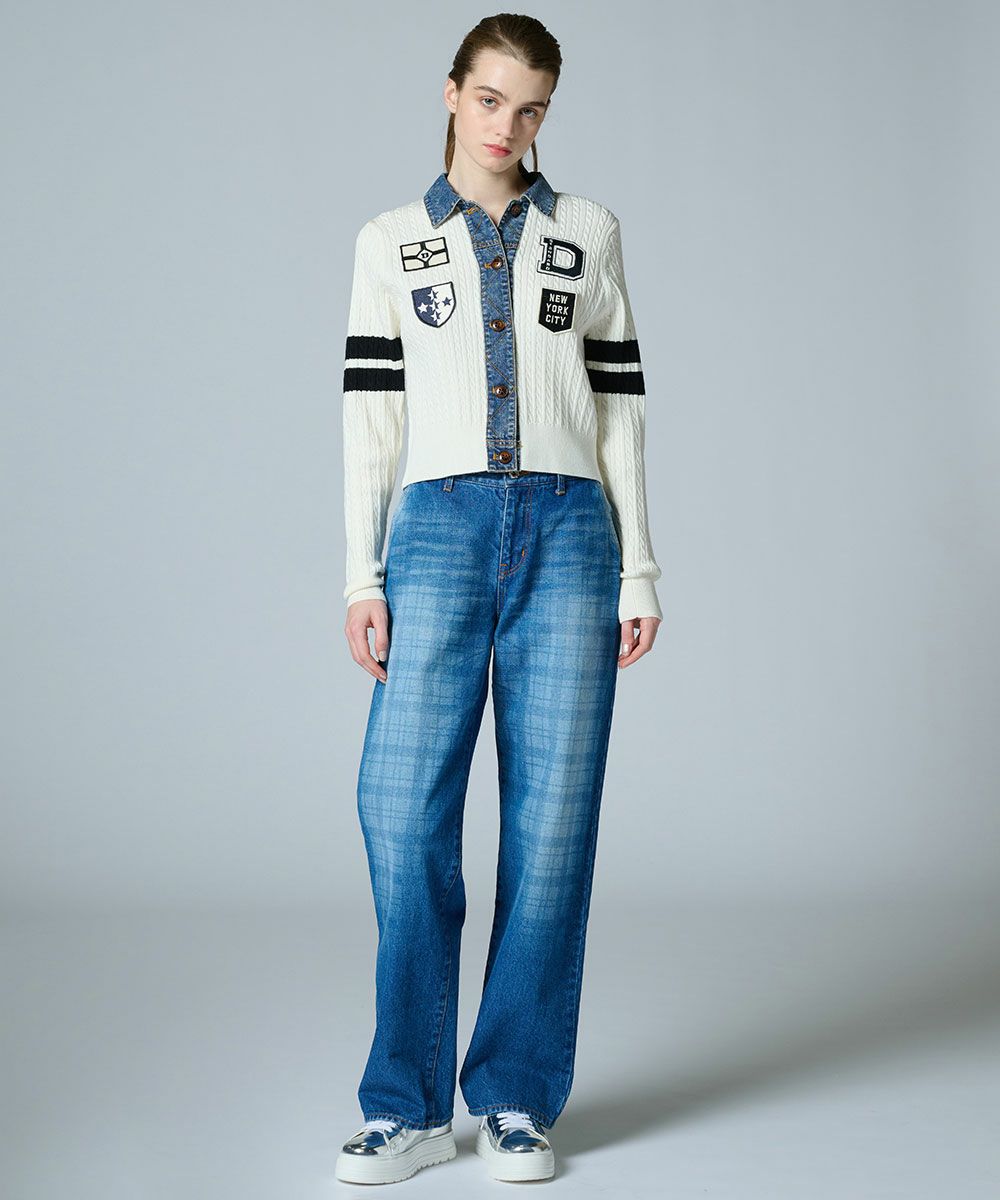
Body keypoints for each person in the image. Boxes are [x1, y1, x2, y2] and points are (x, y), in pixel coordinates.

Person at [335, 13, 663, 1185]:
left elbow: (619, 409)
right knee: (399, 809)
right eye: (489, 100)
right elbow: (370, 416)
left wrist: (638, 566)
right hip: (435, 533)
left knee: (552, 824)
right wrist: (361, 572)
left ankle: (516, 1096)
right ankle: (409, 1106)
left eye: (530, 108)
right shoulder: (390, 241)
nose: (506, 126)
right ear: (451, 94)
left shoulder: (588, 232)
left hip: (571, 535)